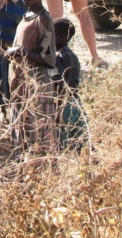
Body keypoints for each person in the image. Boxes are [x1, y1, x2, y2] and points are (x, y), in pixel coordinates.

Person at [5, 0, 57, 154]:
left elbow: (48, 59)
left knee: (37, 141)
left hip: (36, 88)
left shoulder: (42, 19)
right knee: (21, 137)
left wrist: (20, 52)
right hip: (20, 85)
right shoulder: (27, 14)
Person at [51, 17, 88, 151]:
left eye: (51, 34)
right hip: (75, 103)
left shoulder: (57, 57)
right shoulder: (73, 55)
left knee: (62, 140)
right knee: (79, 139)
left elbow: (60, 84)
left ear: (61, 37)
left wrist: (58, 111)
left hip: (63, 103)